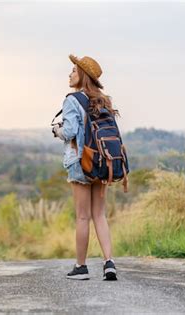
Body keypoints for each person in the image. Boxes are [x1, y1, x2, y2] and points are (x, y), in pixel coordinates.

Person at [52, 54, 119, 281]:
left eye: (73, 70)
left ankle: (81, 267)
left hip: (81, 163)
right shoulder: (103, 100)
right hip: (103, 162)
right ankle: (109, 263)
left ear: (82, 75)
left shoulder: (72, 100)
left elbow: (69, 132)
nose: (69, 74)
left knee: (82, 217)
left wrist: (56, 130)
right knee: (99, 214)